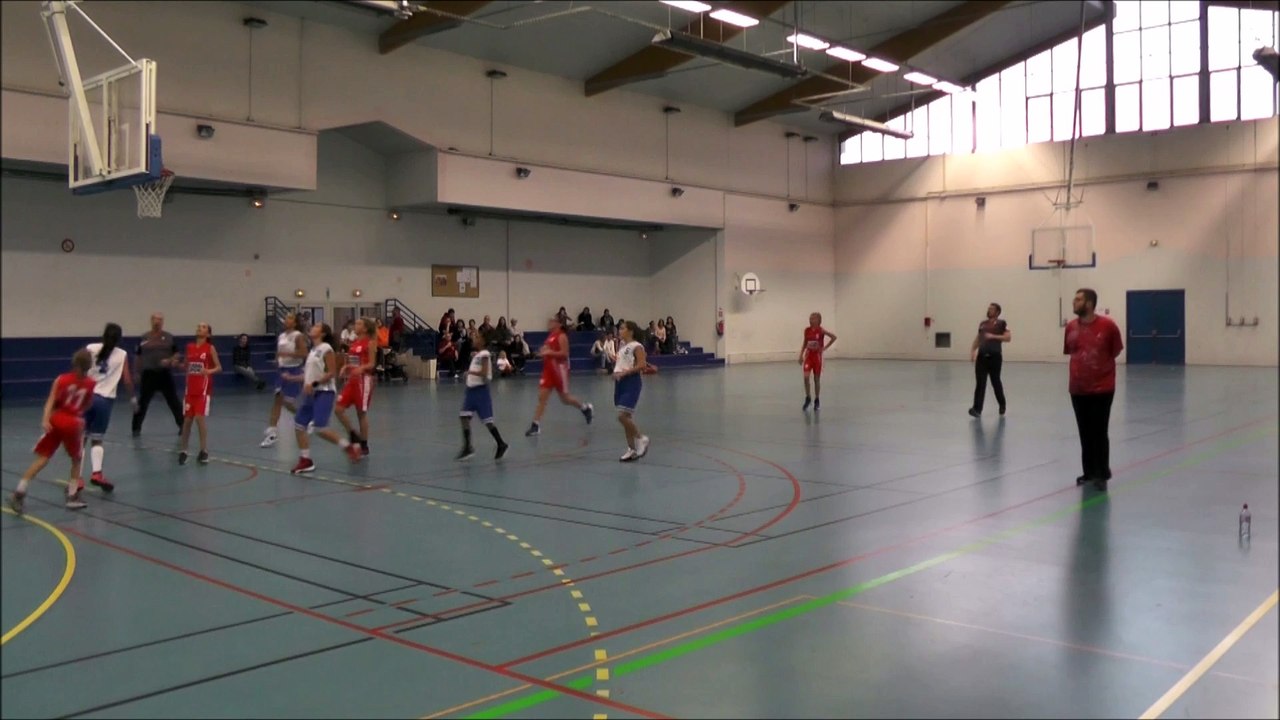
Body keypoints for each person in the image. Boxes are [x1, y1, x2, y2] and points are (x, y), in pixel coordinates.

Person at [9, 350, 96, 513]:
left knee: (43, 458)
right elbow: (88, 404)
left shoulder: (61, 379)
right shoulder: (91, 384)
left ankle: (19, 491)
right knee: (76, 460)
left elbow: (51, 399)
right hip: (73, 423)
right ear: (89, 366)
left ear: (74, 363)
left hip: (56, 419)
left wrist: (45, 419)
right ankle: (72, 496)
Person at [1064, 288, 1124, 491]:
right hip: (1078, 388)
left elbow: (1115, 350)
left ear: (1089, 304)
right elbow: (1071, 351)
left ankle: (1102, 473)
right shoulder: (1071, 327)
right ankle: (1089, 472)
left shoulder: (1108, 326)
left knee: (1099, 431)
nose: (1074, 302)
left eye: (1078, 299)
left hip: (1102, 388)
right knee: (1085, 432)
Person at [289, 323, 362, 474]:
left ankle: (348, 447)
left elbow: (331, 373)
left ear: (322, 333)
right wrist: (294, 378)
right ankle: (305, 460)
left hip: (324, 392)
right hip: (310, 394)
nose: (312, 327)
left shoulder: (326, 348)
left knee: (320, 428)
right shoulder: (312, 350)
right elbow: (310, 374)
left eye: (316, 326)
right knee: (299, 425)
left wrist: (314, 384)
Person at [83, 323, 136, 493]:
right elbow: (127, 380)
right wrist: (133, 399)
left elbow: (80, 370)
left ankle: (76, 479)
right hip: (105, 401)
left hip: (87, 397)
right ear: (119, 338)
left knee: (81, 440)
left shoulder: (91, 348)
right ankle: (97, 473)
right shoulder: (122, 354)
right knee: (97, 439)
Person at [526, 315, 594, 436]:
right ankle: (535, 425)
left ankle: (585, 408)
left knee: (565, 399)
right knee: (542, 397)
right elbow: (546, 350)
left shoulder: (562, 336)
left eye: (552, 321)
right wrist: (541, 353)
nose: (549, 322)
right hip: (548, 370)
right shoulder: (550, 336)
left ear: (558, 324)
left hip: (559, 370)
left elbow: (565, 354)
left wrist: (549, 352)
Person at [457, 327, 510, 461]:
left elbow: (484, 373)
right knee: (464, 417)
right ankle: (468, 447)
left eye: (478, 337)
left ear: (483, 341)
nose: (475, 339)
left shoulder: (485, 354)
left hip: (480, 392)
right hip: (471, 391)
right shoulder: (479, 354)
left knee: (488, 421)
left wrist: (470, 372)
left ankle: (501, 444)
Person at [131, 312, 184, 436]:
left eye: (160, 320)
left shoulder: (169, 337)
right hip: (148, 373)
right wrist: (136, 372)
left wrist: (170, 360)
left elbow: (177, 354)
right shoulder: (144, 337)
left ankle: (182, 425)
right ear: (151, 321)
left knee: (173, 401)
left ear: (162, 322)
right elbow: (138, 356)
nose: (157, 322)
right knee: (143, 402)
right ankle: (136, 428)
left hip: (164, 374)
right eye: (155, 319)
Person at [261, 312, 308, 448]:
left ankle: (304, 418)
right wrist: (277, 360)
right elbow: (279, 352)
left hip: (293, 370)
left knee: (287, 403)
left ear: (295, 322)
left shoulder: (298, 336)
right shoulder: (281, 336)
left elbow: (304, 353)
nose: (286, 320)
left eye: (290, 318)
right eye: (286, 317)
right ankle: (272, 432)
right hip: (282, 371)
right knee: (277, 399)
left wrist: (287, 354)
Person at [178, 322, 221, 466]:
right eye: (198, 326)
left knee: (199, 418)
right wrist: (177, 363)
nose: (199, 328)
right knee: (187, 421)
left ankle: (203, 451)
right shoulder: (189, 347)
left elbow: (219, 367)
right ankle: (184, 451)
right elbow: (186, 365)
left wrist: (208, 371)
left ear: (208, 333)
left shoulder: (210, 348)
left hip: (203, 390)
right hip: (190, 389)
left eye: (203, 327)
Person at [613, 321, 654, 462]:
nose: (619, 331)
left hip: (631, 382)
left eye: (622, 328)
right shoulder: (622, 347)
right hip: (620, 383)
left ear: (630, 331)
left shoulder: (637, 346)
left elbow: (642, 365)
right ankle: (631, 449)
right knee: (627, 418)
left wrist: (625, 373)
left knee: (622, 416)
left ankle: (641, 438)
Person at [336, 317, 376, 457]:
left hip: (363, 381)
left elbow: (372, 364)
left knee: (361, 413)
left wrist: (362, 368)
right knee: (338, 409)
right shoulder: (354, 343)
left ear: (365, 328)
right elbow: (352, 361)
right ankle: (353, 434)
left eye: (359, 324)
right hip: (351, 380)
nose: (355, 325)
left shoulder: (370, 343)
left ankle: (364, 445)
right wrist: (345, 367)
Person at [969, 303, 1010, 418]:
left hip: (995, 358)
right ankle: (977, 409)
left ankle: (1002, 404)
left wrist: (993, 336)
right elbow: (978, 338)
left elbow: (1008, 337)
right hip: (982, 357)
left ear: (997, 312)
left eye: (992, 309)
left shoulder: (1002, 323)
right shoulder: (983, 324)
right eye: (988, 308)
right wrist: (973, 350)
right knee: (980, 383)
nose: (989, 310)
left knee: (995, 382)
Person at [800, 312, 837, 411]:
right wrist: (801, 355)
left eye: (813, 318)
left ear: (818, 320)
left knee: (816, 379)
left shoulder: (821, 330)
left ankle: (817, 399)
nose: (811, 320)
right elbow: (805, 343)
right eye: (810, 318)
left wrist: (824, 348)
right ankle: (808, 398)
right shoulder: (807, 330)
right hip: (808, 356)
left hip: (817, 358)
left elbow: (834, 337)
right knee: (806, 377)